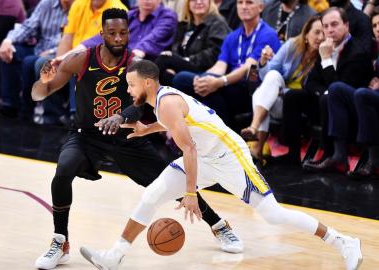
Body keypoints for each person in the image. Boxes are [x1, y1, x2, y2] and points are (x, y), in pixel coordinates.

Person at [79, 59, 363, 270]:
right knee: (152, 194)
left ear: (148, 84)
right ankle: (115, 255)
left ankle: (343, 241)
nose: (128, 90)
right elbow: (182, 128)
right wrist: (147, 129)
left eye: (131, 84)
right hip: (204, 157)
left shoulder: (165, 102)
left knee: (273, 215)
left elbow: (187, 147)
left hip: (229, 157)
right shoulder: (161, 101)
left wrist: (190, 193)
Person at [32, 8, 242, 270]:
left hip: (127, 137)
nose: (119, 38)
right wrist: (43, 82)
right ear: (102, 34)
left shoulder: (135, 65)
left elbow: (141, 105)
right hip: (87, 137)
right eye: (112, 33)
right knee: (63, 171)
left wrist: (119, 118)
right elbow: (41, 94)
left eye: (123, 33)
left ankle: (219, 225)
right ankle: (60, 242)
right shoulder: (81, 59)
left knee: (170, 185)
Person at [172, 0, 280, 128]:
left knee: (211, 90)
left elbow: (249, 68)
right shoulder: (233, 36)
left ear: (261, 7)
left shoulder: (268, 34)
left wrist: (220, 81)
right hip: (230, 84)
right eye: (240, 3)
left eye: (249, 3)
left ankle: (221, 136)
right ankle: (215, 134)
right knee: (185, 80)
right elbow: (220, 66)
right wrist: (205, 78)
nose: (244, 7)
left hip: (253, 88)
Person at [240, 15, 324, 164]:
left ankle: (255, 136)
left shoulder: (324, 56)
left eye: (324, 33)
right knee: (271, 78)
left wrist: (278, 91)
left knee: (260, 95)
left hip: (295, 104)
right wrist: (263, 62)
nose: (321, 37)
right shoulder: (292, 45)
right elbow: (269, 75)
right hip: (275, 96)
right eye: (317, 32)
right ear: (306, 34)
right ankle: (256, 141)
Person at [303, 7, 373, 173]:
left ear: (346, 26)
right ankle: (290, 153)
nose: (329, 30)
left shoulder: (358, 52)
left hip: (356, 108)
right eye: (325, 26)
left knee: (330, 95)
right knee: (293, 96)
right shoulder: (325, 48)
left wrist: (326, 60)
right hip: (328, 101)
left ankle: (332, 155)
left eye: (334, 24)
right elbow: (311, 82)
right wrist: (324, 91)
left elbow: (340, 90)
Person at [155, 0, 231, 85]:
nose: (198, 2)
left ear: (210, 2)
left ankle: (142, 91)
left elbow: (215, 52)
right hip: (185, 66)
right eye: (193, 0)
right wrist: (175, 64)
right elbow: (176, 49)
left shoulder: (217, 23)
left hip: (205, 69)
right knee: (166, 73)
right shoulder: (184, 25)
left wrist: (186, 60)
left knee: (165, 58)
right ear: (188, 4)